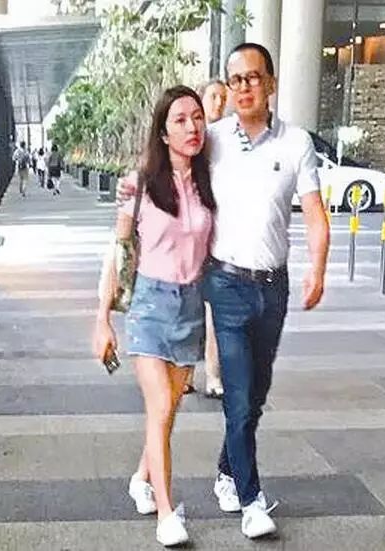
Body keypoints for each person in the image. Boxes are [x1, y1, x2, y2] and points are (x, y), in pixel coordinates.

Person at [118, 43, 330, 540]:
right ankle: (250, 500)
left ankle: (225, 471)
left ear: (271, 83)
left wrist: (317, 269)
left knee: (253, 396)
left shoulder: (296, 142)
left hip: (273, 287)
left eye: (254, 78)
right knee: (232, 395)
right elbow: (165, 151)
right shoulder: (212, 137)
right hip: (224, 284)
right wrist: (134, 185)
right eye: (236, 80)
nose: (244, 87)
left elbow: (315, 213)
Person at [94, 85, 215, 547]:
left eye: (197, 117)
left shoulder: (208, 181)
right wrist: (102, 318)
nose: (192, 126)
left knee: (169, 412)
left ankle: (141, 478)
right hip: (149, 305)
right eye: (180, 120)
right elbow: (119, 251)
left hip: (191, 305)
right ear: (163, 133)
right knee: (161, 406)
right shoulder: (139, 183)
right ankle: (166, 513)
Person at [183, 78, 227, 398]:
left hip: (219, 232)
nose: (219, 103)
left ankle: (213, 375)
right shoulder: (192, 138)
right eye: (213, 96)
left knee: (213, 310)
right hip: (190, 232)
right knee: (188, 308)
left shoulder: (229, 139)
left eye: (223, 97)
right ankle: (185, 373)